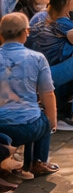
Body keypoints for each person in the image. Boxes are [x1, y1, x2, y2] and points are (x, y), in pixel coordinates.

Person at [0, 12, 57, 177]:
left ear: (1, 35)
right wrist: (51, 122)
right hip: (30, 127)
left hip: (1, 126)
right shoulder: (37, 58)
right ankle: (37, 162)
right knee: (43, 115)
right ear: (26, 32)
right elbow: (48, 94)